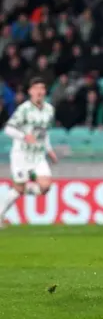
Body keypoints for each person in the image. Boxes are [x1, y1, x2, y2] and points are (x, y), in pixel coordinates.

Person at [0, 78, 57, 227]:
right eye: (36, 88)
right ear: (30, 91)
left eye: (42, 88)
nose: (39, 91)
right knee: (18, 189)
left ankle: (18, 188)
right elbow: (8, 129)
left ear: (45, 91)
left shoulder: (49, 109)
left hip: (38, 155)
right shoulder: (24, 109)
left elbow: (44, 133)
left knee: (45, 187)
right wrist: (24, 136)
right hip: (21, 155)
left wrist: (49, 150)